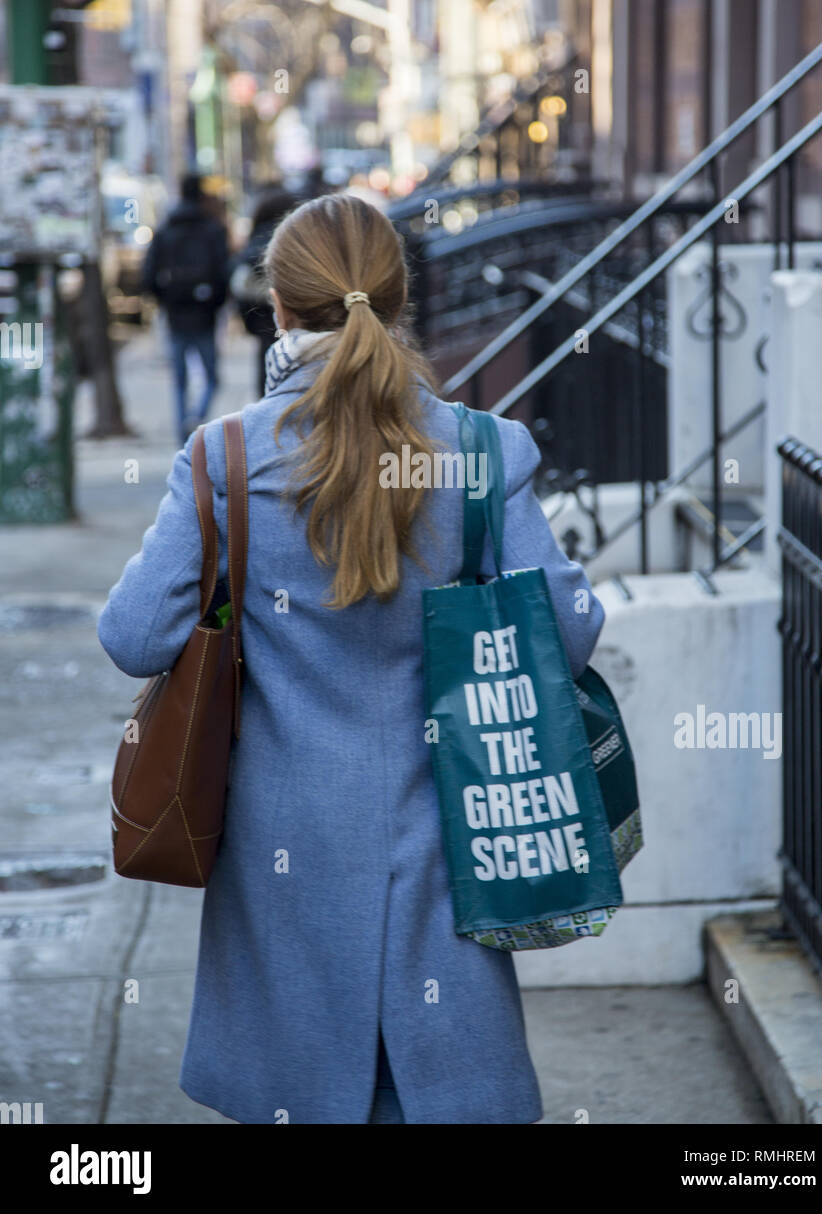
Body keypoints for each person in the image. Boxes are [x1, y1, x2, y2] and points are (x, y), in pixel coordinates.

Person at [97, 193, 605, 1125]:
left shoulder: (226, 458)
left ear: (280, 309)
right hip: (450, 833)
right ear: (400, 300)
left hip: (281, 851)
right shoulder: (484, 453)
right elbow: (569, 637)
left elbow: (133, 635)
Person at [141, 171, 229, 445]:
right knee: (212, 377)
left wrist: (165, 299)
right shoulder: (213, 229)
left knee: (179, 380)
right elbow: (224, 272)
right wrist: (216, 302)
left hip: (176, 314)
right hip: (205, 314)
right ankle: (196, 416)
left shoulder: (166, 229)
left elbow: (147, 275)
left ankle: (184, 433)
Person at [229, 185, 299, 396]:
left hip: (263, 323)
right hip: (296, 322)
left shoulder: (256, 238)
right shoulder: (296, 238)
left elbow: (240, 283)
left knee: (266, 377)